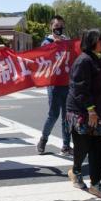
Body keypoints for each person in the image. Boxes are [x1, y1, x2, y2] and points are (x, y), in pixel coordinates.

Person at [66, 29, 101, 200]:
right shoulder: (83, 61)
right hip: (81, 111)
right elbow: (80, 89)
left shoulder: (99, 59)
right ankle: (76, 171)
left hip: (96, 110)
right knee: (82, 146)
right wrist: (91, 110)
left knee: (98, 147)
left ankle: (95, 183)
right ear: (92, 41)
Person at [37, 15, 73, 156]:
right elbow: (41, 59)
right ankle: (43, 140)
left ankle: (66, 145)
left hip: (67, 84)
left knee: (67, 116)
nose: (58, 28)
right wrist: (55, 44)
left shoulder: (67, 42)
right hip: (53, 84)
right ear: (51, 27)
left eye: (61, 26)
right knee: (53, 115)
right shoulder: (46, 42)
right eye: (56, 26)